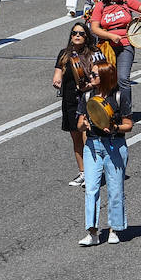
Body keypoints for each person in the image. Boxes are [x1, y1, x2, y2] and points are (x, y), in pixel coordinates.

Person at [77, 56, 134, 246]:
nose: (90, 76)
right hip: (93, 145)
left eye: (94, 74)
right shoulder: (87, 96)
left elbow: (129, 124)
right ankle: (92, 233)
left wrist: (116, 128)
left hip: (114, 145)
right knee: (91, 188)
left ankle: (114, 229)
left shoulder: (119, 95)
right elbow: (79, 123)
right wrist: (84, 125)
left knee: (115, 189)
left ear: (104, 76)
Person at [90, 0, 141, 83]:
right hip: (107, 46)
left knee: (123, 78)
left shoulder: (126, 1)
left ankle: (125, 100)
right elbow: (94, 28)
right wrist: (111, 36)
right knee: (108, 79)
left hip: (126, 45)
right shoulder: (100, 6)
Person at [54, 24, 92, 187]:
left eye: (81, 33)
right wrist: (57, 80)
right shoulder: (64, 54)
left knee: (86, 136)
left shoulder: (93, 54)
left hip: (87, 99)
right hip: (69, 99)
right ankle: (82, 172)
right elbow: (57, 73)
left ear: (86, 37)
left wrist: (88, 86)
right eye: (74, 33)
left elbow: (100, 77)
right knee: (75, 137)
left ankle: (92, 172)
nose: (77, 35)